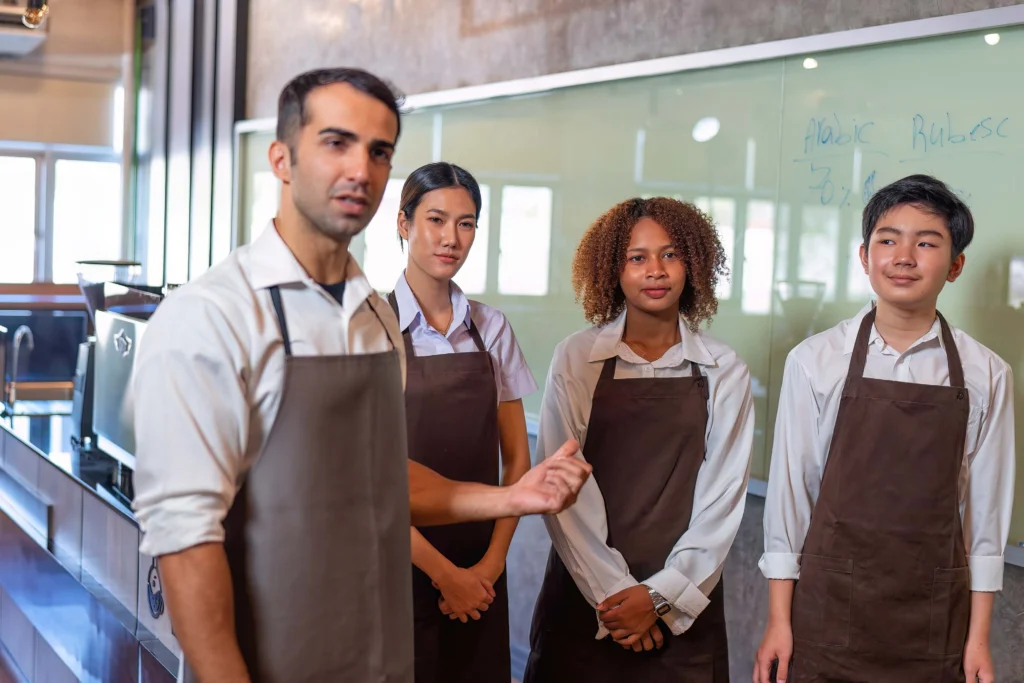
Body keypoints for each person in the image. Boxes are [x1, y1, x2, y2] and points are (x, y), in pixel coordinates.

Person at [130, 68, 590, 683]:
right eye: (336, 143)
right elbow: (185, 547)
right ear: (282, 158)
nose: (360, 169)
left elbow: (380, 481)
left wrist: (514, 497)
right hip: (268, 659)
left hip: (379, 650)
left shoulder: (371, 317)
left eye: (379, 152)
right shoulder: (210, 316)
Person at [754, 174, 1015, 683]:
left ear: (956, 264)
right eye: (888, 240)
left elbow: (986, 519)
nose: (903, 256)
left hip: (934, 618)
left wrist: (978, 638)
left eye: (927, 243)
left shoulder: (987, 374)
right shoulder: (814, 361)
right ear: (864, 256)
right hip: (825, 613)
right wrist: (778, 621)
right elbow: (790, 497)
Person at [524, 197, 755, 682]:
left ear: (693, 264)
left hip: (683, 606)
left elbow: (723, 498)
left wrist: (658, 597)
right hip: (588, 599)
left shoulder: (723, 368)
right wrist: (615, 596)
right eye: (637, 257)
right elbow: (562, 489)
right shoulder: (577, 358)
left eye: (671, 255)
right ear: (614, 268)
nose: (656, 270)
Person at [387, 161, 540, 683]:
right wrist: (443, 574)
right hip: (394, 560)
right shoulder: (369, 330)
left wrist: (489, 567)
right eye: (436, 219)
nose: (451, 237)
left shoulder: (492, 329)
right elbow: (361, 478)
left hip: (480, 566)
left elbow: (517, 459)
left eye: (467, 222)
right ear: (404, 224)